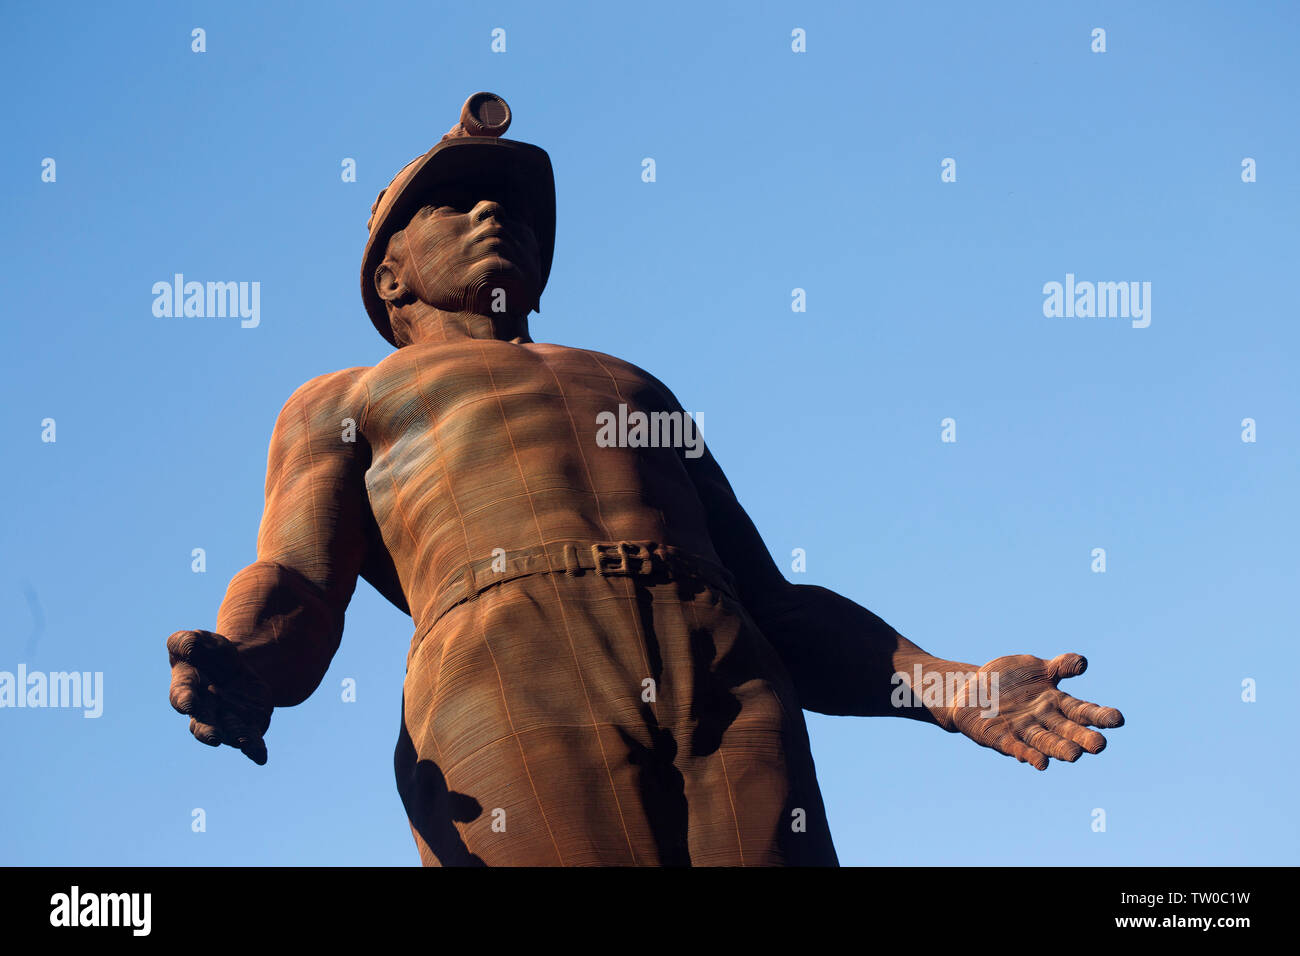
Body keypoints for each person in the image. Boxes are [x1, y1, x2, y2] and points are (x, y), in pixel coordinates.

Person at [166, 93, 1124, 866]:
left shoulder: (629, 384)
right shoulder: (348, 394)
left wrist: (949, 687)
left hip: (723, 669)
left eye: (514, 206)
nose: (494, 212)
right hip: (508, 667)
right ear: (391, 277)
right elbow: (296, 577)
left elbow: (777, 607)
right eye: (454, 203)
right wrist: (247, 662)